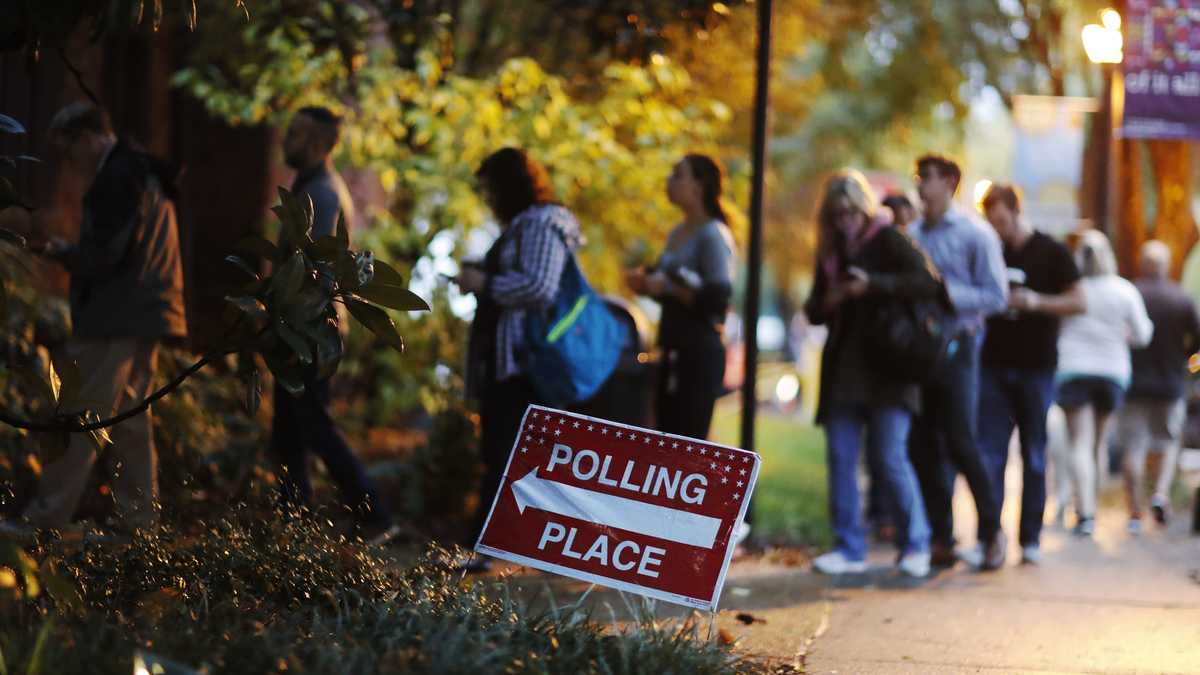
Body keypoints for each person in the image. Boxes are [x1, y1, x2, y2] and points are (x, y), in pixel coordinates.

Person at [5, 102, 186, 534]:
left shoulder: (118, 176)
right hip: (147, 312)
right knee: (128, 422)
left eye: (68, 151)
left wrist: (61, 252)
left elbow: (105, 256)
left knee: (79, 414)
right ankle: (139, 525)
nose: (69, 163)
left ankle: (44, 519)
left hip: (116, 314)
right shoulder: (142, 170)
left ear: (87, 138)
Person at [270, 106, 397, 544]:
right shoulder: (310, 186)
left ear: (322, 142)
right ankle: (293, 523)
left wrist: (289, 317)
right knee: (290, 430)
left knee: (313, 426)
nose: (287, 139)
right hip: (300, 326)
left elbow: (315, 267)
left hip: (311, 328)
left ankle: (375, 515)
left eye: (297, 133)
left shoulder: (321, 193)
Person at [457, 147, 585, 572]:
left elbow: (539, 287)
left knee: (508, 452)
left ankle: (489, 548)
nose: (488, 198)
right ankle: (502, 546)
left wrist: (484, 282)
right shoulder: (526, 225)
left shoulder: (540, 223)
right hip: (511, 359)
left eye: (491, 189)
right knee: (507, 452)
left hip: (524, 362)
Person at [803, 170, 934, 577]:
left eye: (850, 213)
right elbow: (813, 309)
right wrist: (833, 297)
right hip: (845, 369)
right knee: (840, 457)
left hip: (890, 367)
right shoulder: (830, 252)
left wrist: (871, 284)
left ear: (863, 209)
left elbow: (926, 282)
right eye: (836, 215)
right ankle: (848, 547)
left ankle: (915, 544)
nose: (845, 221)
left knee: (889, 457)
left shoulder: (889, 238)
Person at [907, 154, 1008, 570]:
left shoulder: (975, 234)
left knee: (962, 440)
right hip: (918, 352)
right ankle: (941, 538)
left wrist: (953, 294)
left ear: (949, 183)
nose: (920, 187)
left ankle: (991, 534)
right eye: (918, 179)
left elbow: (997, 296)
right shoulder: (910, 234)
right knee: (922, 445)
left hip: (960, 348)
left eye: (926, 179)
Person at [977, 184, 1085, 564]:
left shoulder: (1051, 251)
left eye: (1002, 220)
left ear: (1015, 211)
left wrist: (1036, 301)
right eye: (991, 222)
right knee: (989, 454)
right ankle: (990, 536)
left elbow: (1078, 301)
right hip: (991, 365)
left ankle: (1031, 538)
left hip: (1036, 367)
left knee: (1034, 454)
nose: (998, 228)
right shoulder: (990, 250)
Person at [624, 155, 737, 440]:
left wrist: (667, 288)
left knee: (687, 442)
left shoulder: (714, 235)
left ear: (699, 186)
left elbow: (717, 301)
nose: (669, 182)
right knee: (662, 435)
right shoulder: (677, 232)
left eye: (677, 175)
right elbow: (665, 284)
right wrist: (645, 284)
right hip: (670, 347)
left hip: (698, 354)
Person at [1054, 229, 1153, 537]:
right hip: (1112, 373)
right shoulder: (1124, 291)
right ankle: (1090, 506)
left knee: (1079, 442)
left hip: (1074, 370)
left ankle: (1084, 513)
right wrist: (1123, 336)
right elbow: (1143, 334)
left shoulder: (1071, 289)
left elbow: (1056, 327)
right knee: (1097, 442)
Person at [1116, 241, 1198, 532]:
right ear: (1165, 266)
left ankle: (1135, 513)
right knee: (1168, 442)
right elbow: (1197, 340)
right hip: (1171, 383)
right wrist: (1185, 360)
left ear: (1142, 263)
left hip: (1133, 383)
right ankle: (1161, 494)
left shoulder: (1130, 293)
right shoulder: (1181, 299)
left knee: (1134, 446)